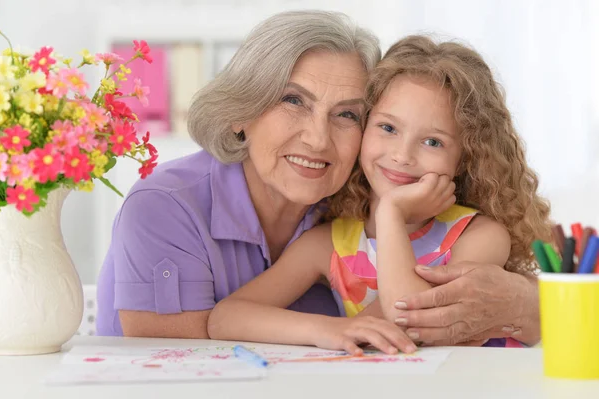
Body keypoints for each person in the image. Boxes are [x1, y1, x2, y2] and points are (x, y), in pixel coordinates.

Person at [207, 35, 552, 354]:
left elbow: (412, 320)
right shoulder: (330, 244)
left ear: (464, 159)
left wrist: (390, 213)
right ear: (360, 128)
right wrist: (328, 330)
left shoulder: (478, 236)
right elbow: (225, 318)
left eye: (433, 142)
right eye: (387, 128)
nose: (402, 155)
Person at [95, 10, 383, 338]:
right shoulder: (163, 206)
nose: (318, 138)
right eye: (293, 100)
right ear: (240, 113)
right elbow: (176, 364)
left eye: (347, 113)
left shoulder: (362, 211)